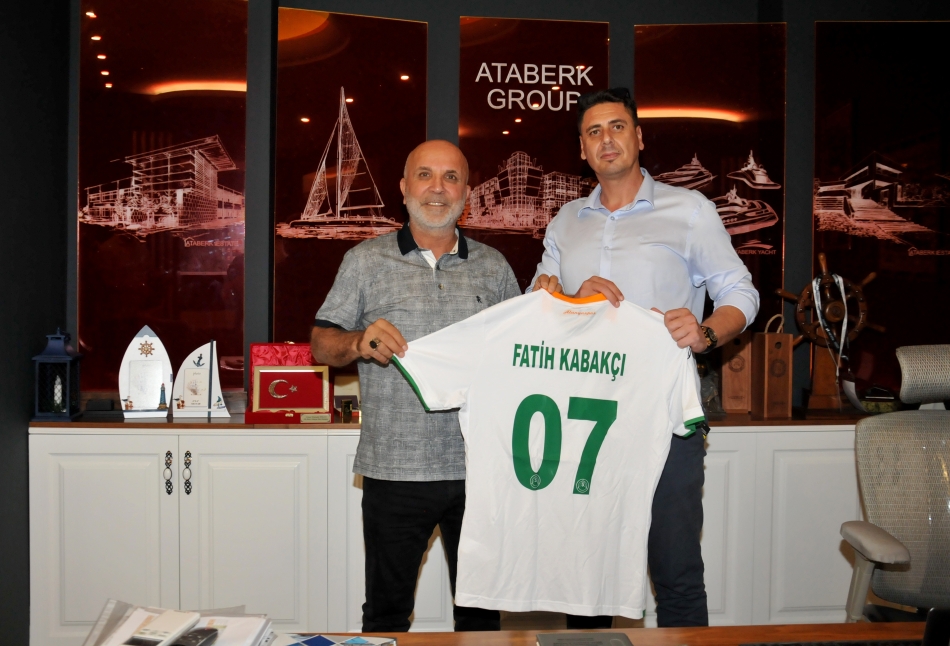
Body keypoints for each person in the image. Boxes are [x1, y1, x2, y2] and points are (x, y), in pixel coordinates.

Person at [530, 88, 760, 627]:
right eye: (593, 131)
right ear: (582, 149)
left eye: (616, 126)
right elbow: (540, 309)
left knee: (676, 573)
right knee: (585, 580)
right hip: (583, 419)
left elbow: (741, 293)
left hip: (665, 417)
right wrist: (564, 295)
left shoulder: (690, 210)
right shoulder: (566, 221)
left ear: (638, 137)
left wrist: (705, 332)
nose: (606, 139)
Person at [310, 139, 520, 632]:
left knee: (481, 615)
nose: (437, 188)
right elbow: (321, 344)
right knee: (386, 615)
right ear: (404, 188)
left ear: (467, 192)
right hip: (394, 470)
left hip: (481, 471)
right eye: (425, 175)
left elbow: (522, 355)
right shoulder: (364, 260)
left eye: (451, 177)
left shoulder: (495, 267)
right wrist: (358, 341)